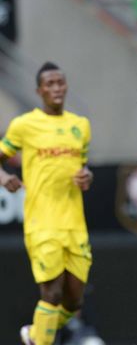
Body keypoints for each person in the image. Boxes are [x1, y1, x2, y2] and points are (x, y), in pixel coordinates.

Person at [0, 62, 93, 345]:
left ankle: (35, 335)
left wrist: (87, 176)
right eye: (49, 84)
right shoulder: (24, 125)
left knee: (73, 303)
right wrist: (4, 178)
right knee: (51, 294)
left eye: (60, 82)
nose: (56, 88)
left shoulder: (81, 125)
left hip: (74, 224)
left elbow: (84, 167)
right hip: (42, 223)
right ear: (39, 90)